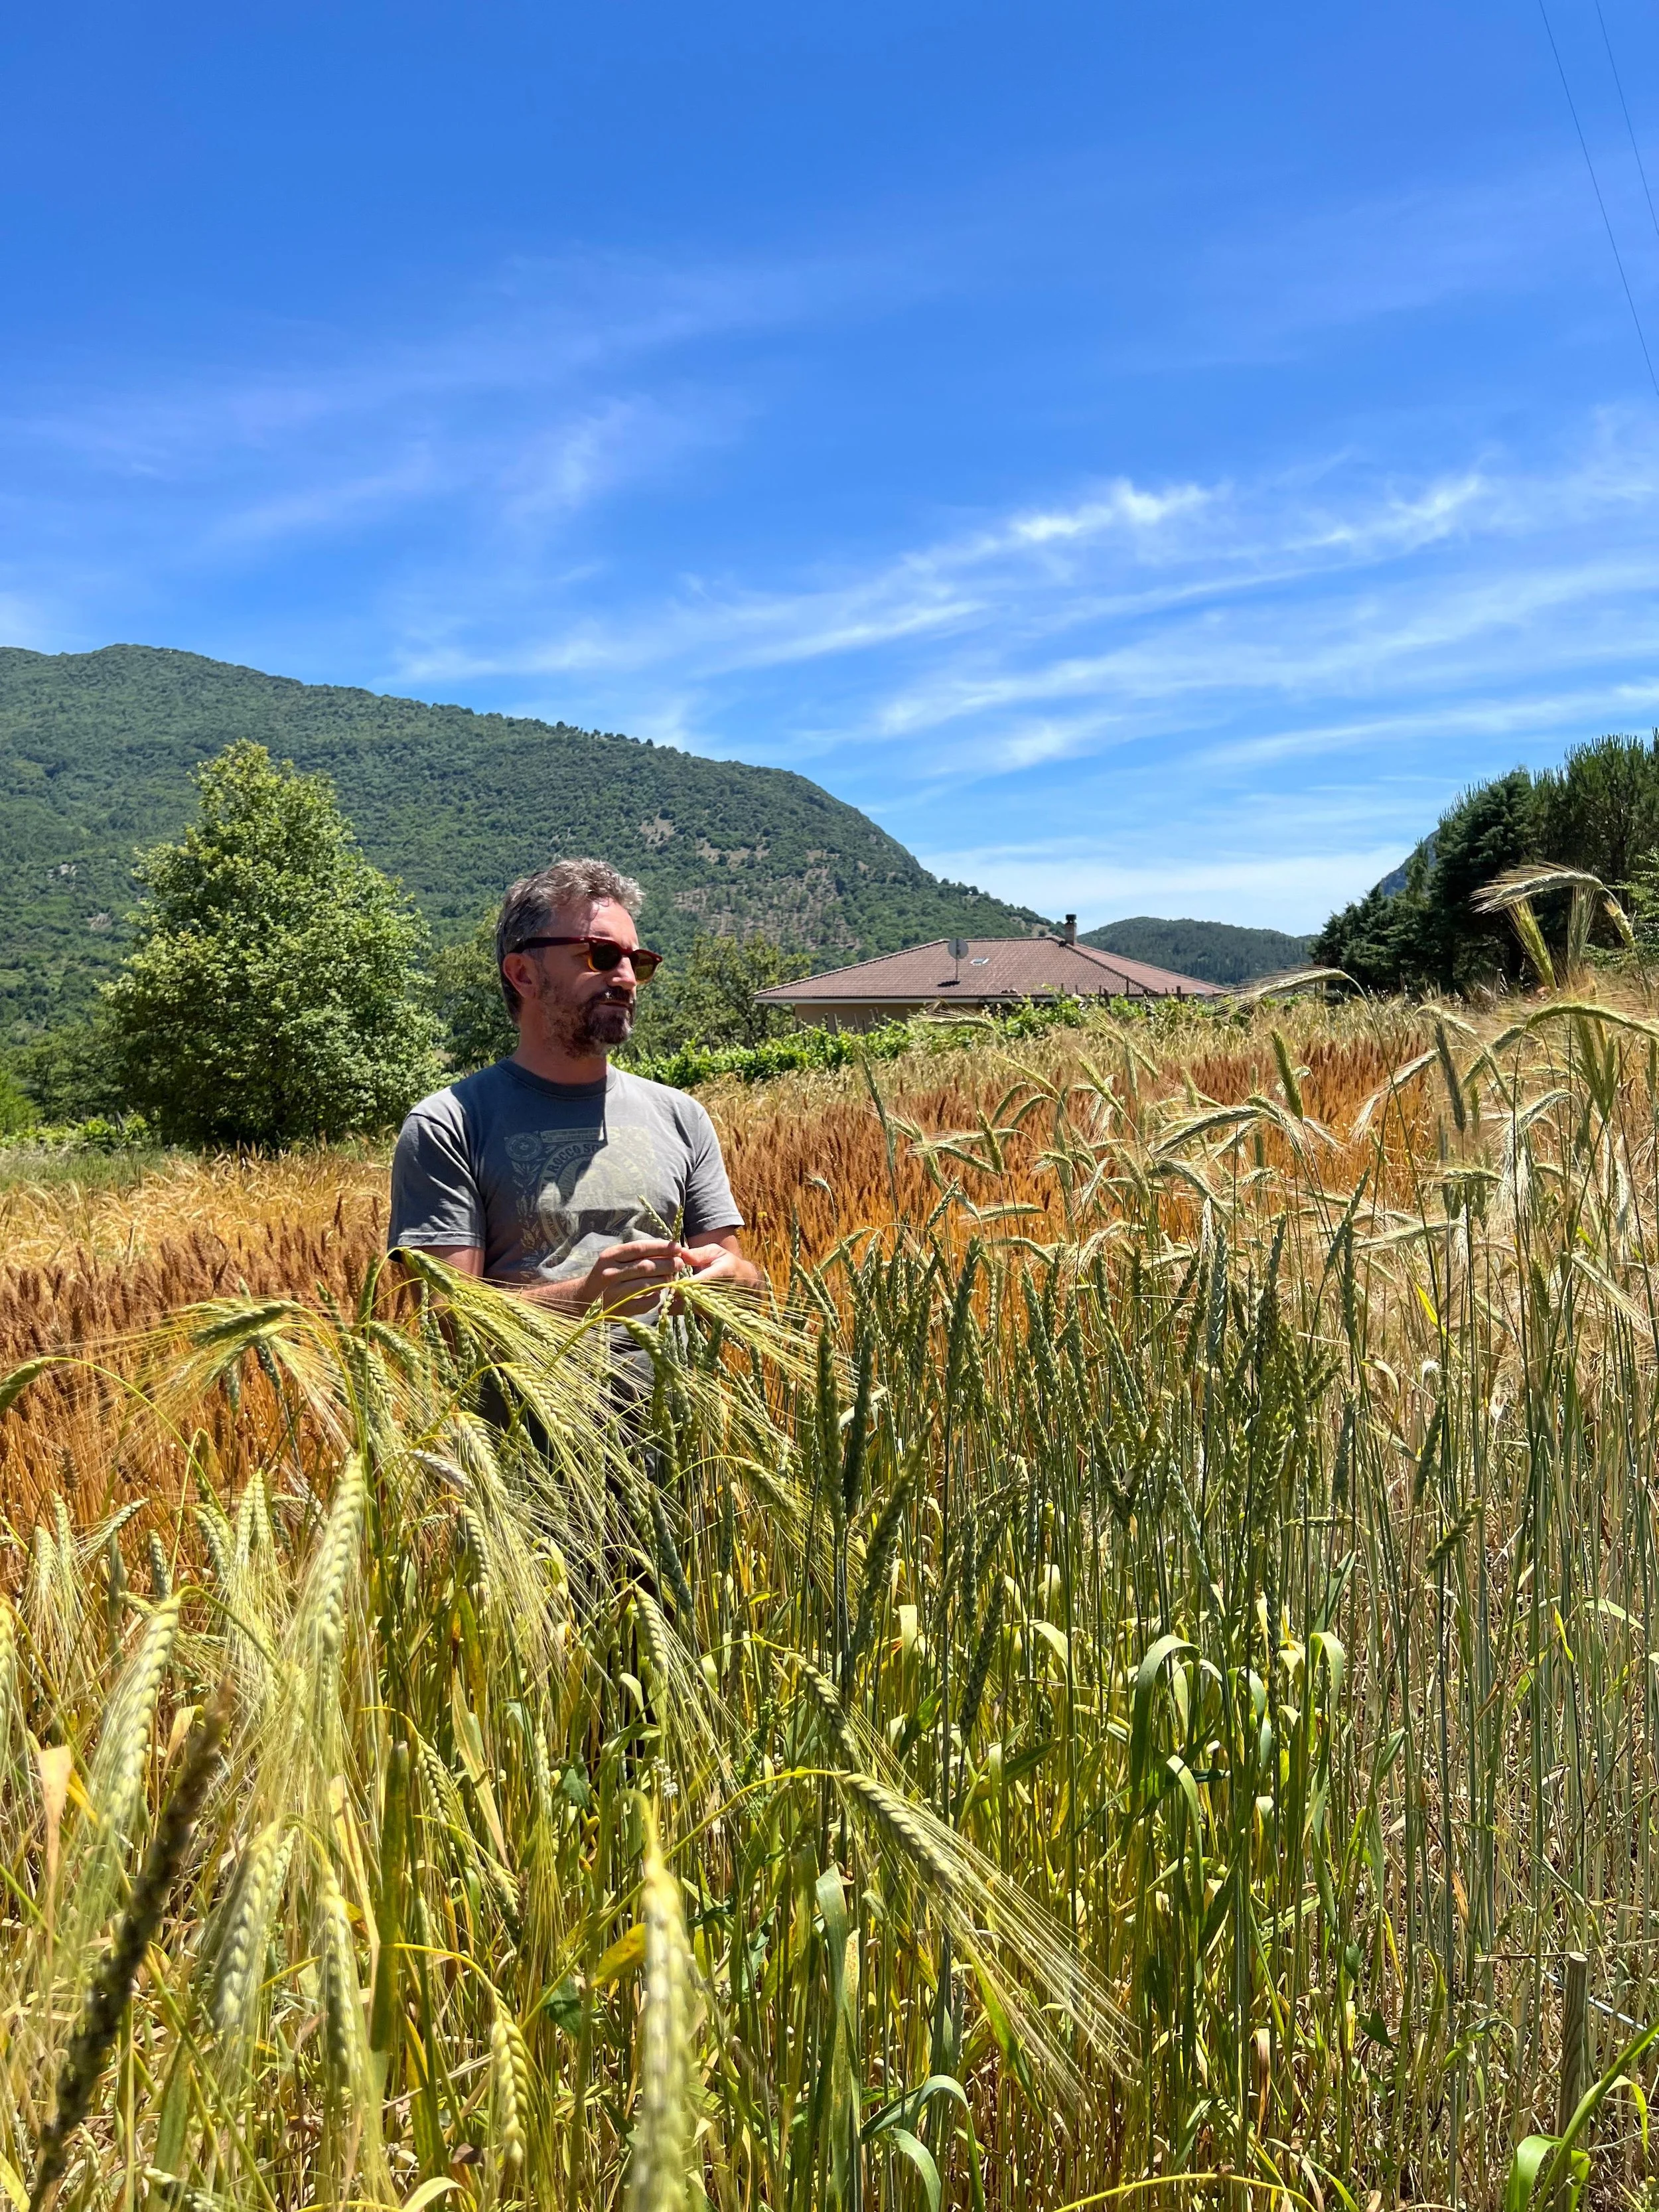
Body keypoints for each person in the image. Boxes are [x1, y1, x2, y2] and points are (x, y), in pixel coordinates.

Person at [390, 857, 762, 1318]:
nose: (626, 977)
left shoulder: (682, 1117)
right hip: (529, 1394)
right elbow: (445, 1319)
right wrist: (585, 1297)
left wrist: (737, 1279)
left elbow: (743, 1283)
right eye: (600, 955)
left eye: (638, 962)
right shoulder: (450, 1126)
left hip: (672, 1394)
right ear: (523, 974)